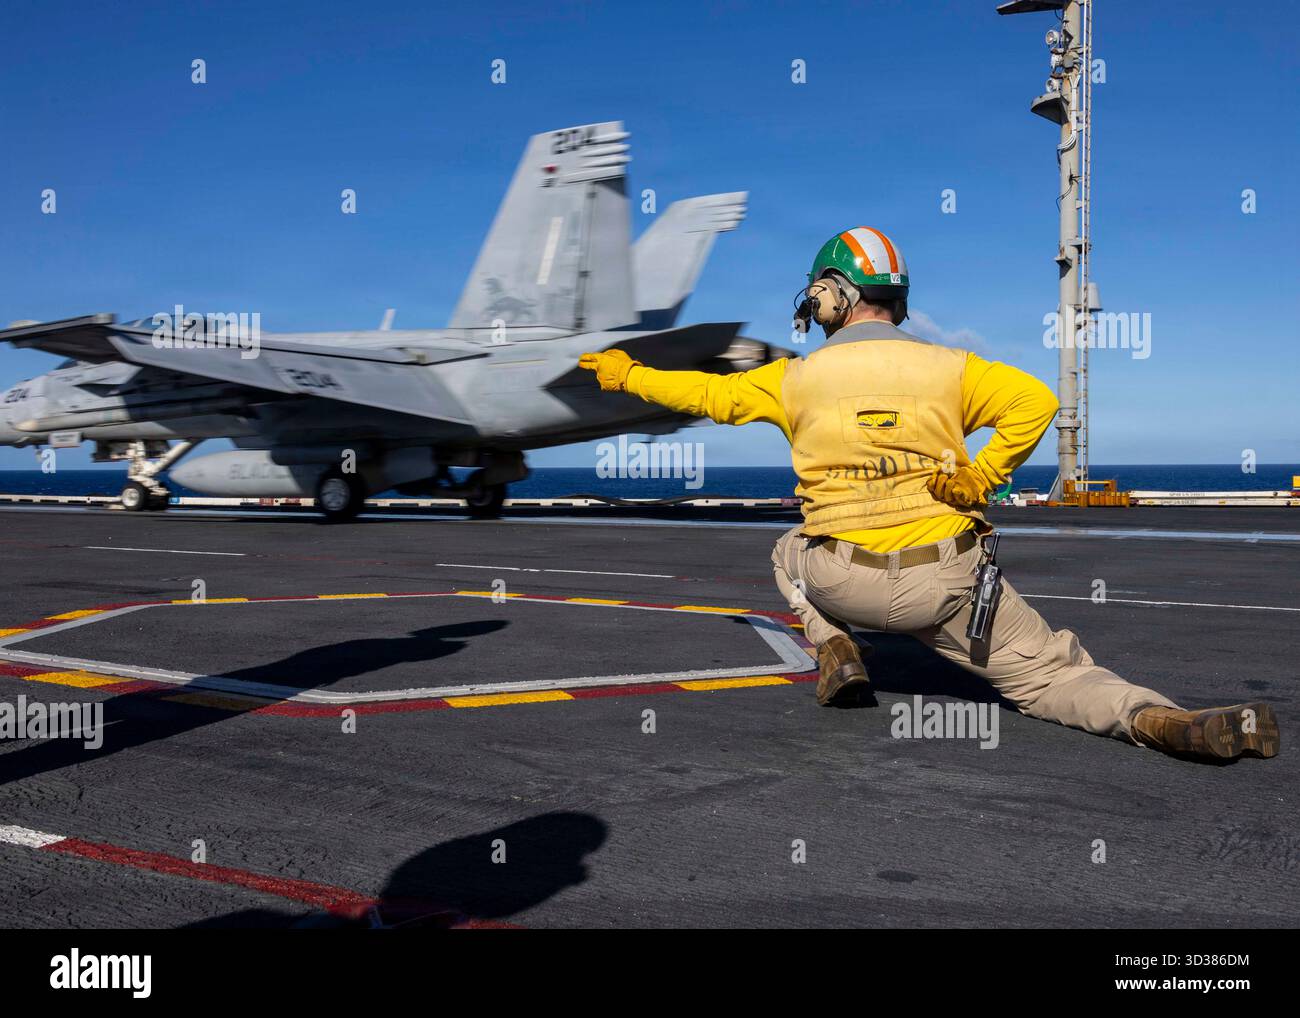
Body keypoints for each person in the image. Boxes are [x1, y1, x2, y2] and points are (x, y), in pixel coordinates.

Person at [579, 226, 1279, 761]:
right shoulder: (951, 366)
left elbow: (705, 394)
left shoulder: (792, 378)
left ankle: (834, 648)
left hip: (841, 576)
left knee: (788, 550)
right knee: (1053, 678)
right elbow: (1035, 402)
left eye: (816, 294)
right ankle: (1164, 721)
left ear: (832, 294)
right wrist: (980, 475)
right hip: (948, 581)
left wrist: (624, 372)